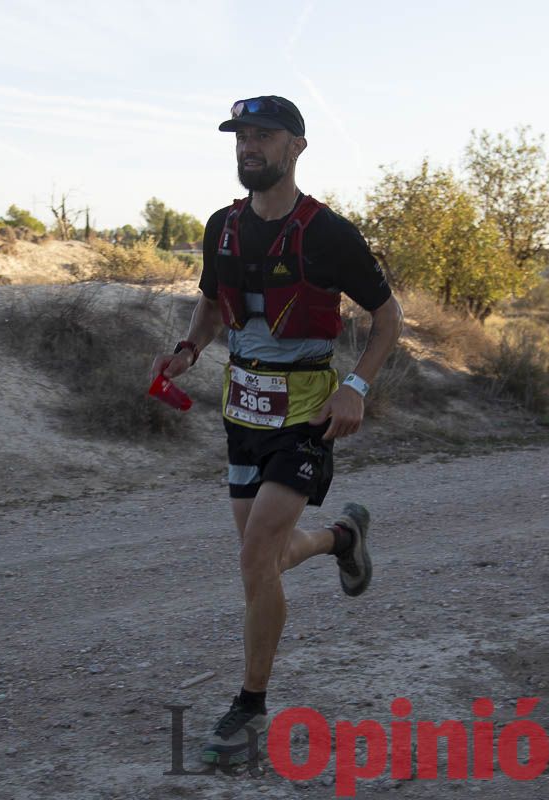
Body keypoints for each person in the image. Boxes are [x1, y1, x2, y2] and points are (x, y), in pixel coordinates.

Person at [149, 95, 403, 764]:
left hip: (308, 415)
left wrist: (356, 387)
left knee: (256, 553)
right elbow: (211, 303)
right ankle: (343, 537)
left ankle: (248, 711)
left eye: (263, 136)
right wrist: (190, 348)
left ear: (297, 147)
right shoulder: (221, 228)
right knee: (266, 557)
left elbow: (388, 319)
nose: (248, 146)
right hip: (244, 412)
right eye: (241, 136)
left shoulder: (328, 234)